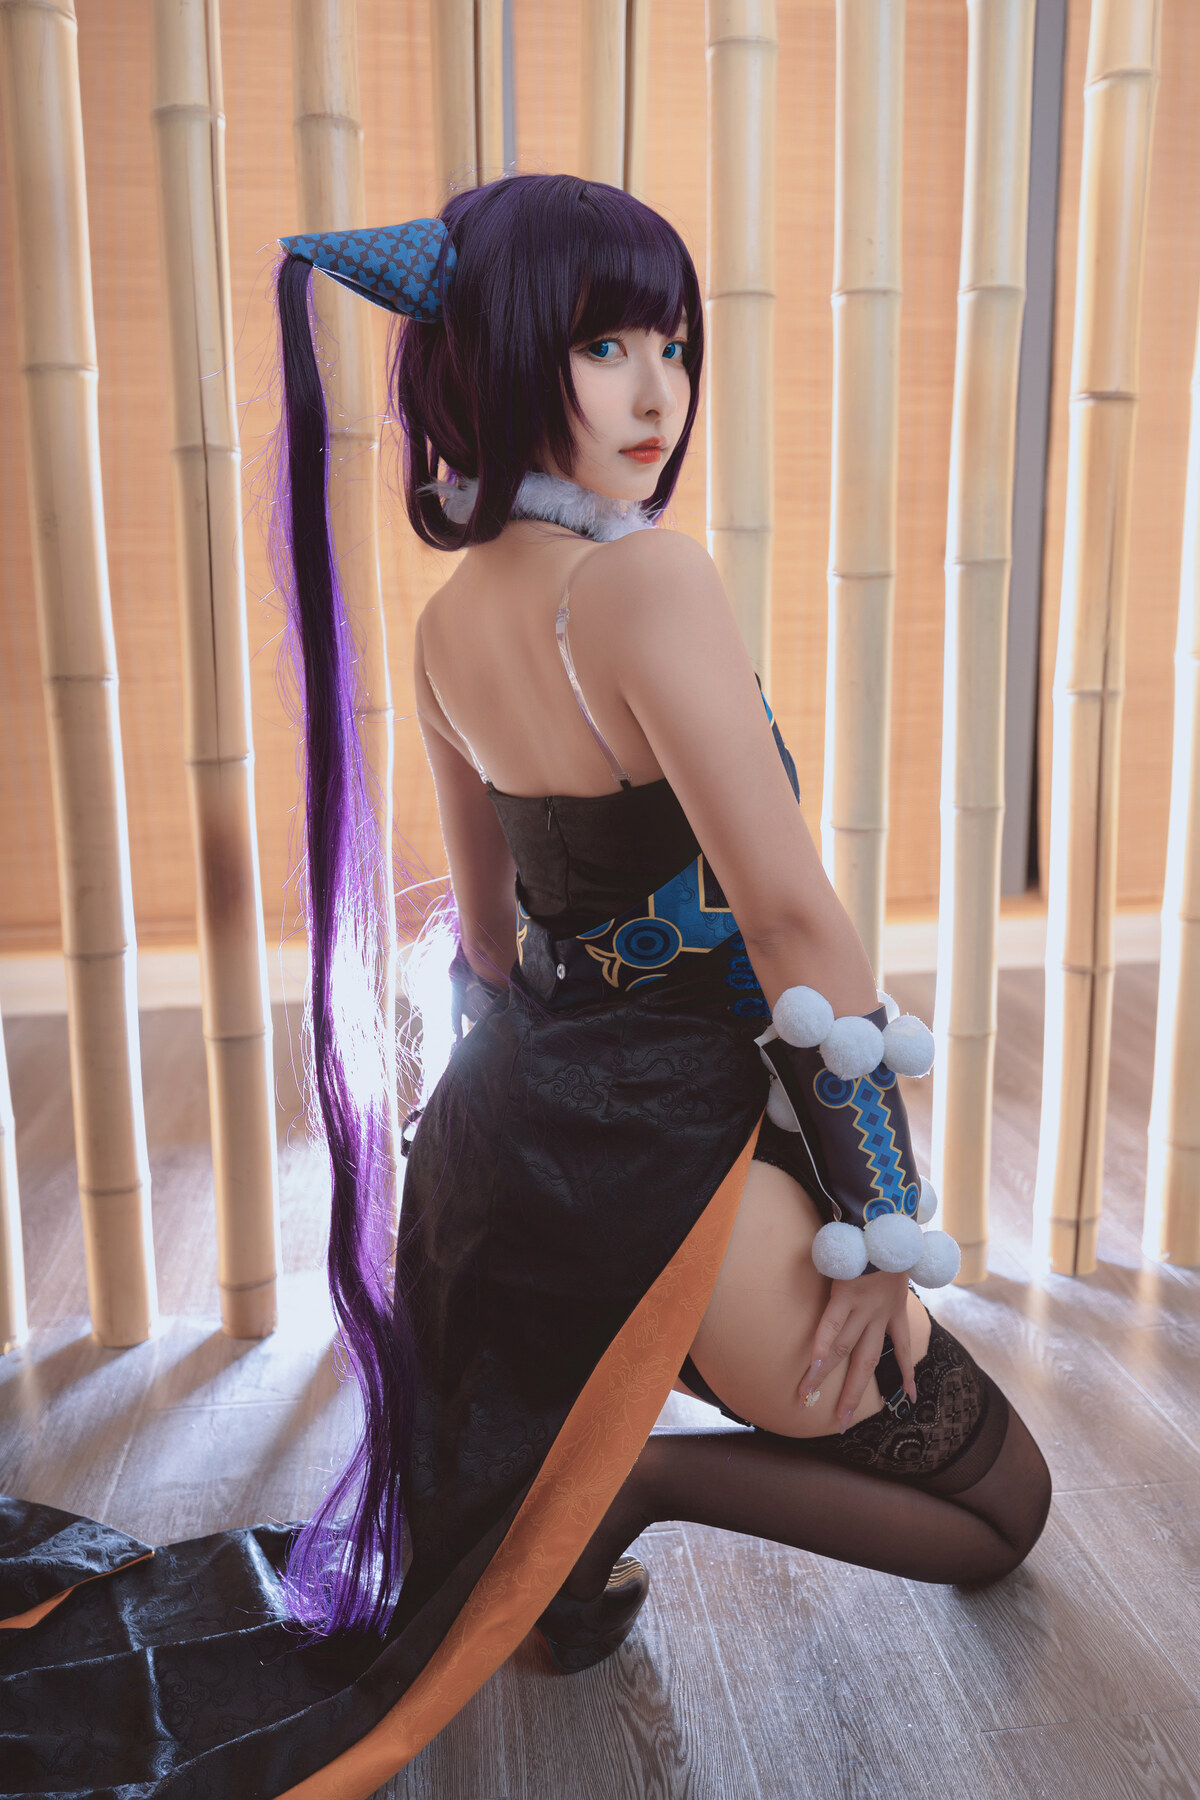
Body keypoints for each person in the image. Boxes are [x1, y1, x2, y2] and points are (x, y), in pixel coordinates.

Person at [0, 171, 1051, 1799]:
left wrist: (523, 1173)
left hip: (504, 1170)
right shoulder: (644, 582)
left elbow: (490, 949)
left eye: (674, 344)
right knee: (1004, 1512)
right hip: (677, 1173)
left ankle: (578, 1493)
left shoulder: (447, 624)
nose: (658, 390)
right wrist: (885, 1226)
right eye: (605, 345)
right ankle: (629, 1489)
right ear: (494, 356)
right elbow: (791, 921)